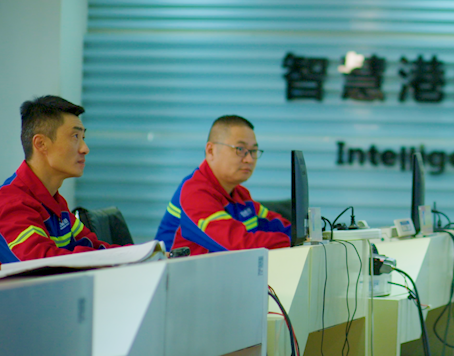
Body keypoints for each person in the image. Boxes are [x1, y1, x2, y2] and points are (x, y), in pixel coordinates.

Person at [0, 96, 124, 263]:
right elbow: (42, 264)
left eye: (83, 138)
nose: (85, 149)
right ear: (41, 144)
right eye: (75, 136)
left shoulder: (55, 202)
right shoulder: (11, 203)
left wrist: (142, 255)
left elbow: (94, 246)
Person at [155, 115, 290, 255]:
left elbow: (278, 225)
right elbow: (238, 246)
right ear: (211, 151)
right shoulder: (194, 193)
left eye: (253, 151)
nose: (249, 159)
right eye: (240, 149)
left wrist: (298, 236)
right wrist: (290, 241)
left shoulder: (240, 193)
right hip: (178, 269)